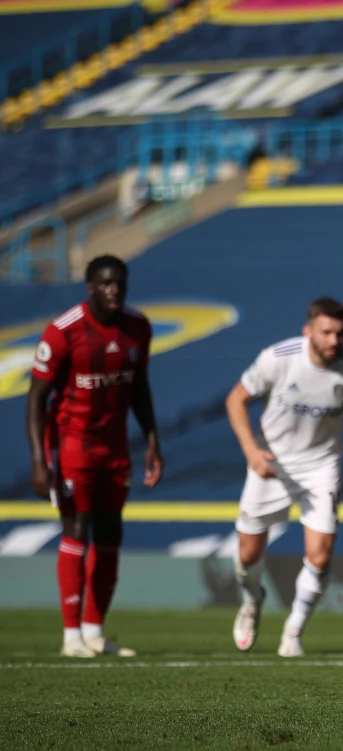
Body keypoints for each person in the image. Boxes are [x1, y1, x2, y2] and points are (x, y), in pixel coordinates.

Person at [226, 297, 343, 657]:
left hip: (321, 467)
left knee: (321, 556)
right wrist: (251, 451)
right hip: (271, 463)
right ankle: (252, 601)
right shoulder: (277, 359)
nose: (333, 341)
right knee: (248, 555)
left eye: (340, 334)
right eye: (326, 332)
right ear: (308, 330)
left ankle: (293, 632)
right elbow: (235, 400)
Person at [26, 255, 163, 658]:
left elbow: (140, 388)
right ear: (90, 287)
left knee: (110, 532)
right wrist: (39, 460)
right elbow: (35, 399)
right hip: (73, 444)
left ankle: (95, 632)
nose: (114, 289)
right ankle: (71, 637)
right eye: (105, 283)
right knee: (77, 527)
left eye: (119, 281)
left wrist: (152, 439)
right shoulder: (63, 331)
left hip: (115, 445)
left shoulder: (138, 328)